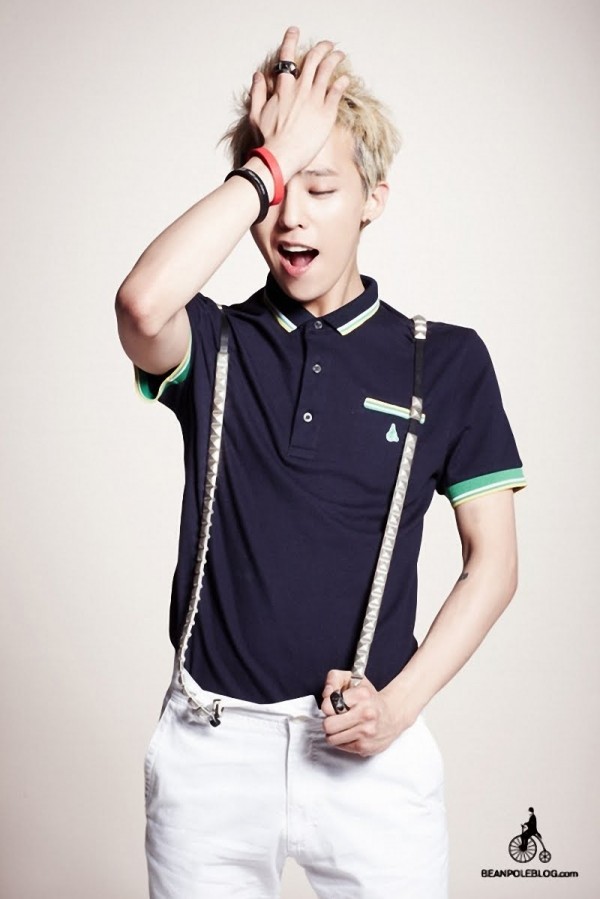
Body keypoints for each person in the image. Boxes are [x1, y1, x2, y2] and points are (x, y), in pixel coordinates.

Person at [115, 24, 526, 899]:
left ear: (374, 197)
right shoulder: (215, 342)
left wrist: (397, 709)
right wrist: (267, 162)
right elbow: (142, 302)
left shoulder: (445, 362)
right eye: (274, 187)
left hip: (369, 757)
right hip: (211, 750)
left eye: (321, 184)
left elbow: (494, 563)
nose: (291, 214)